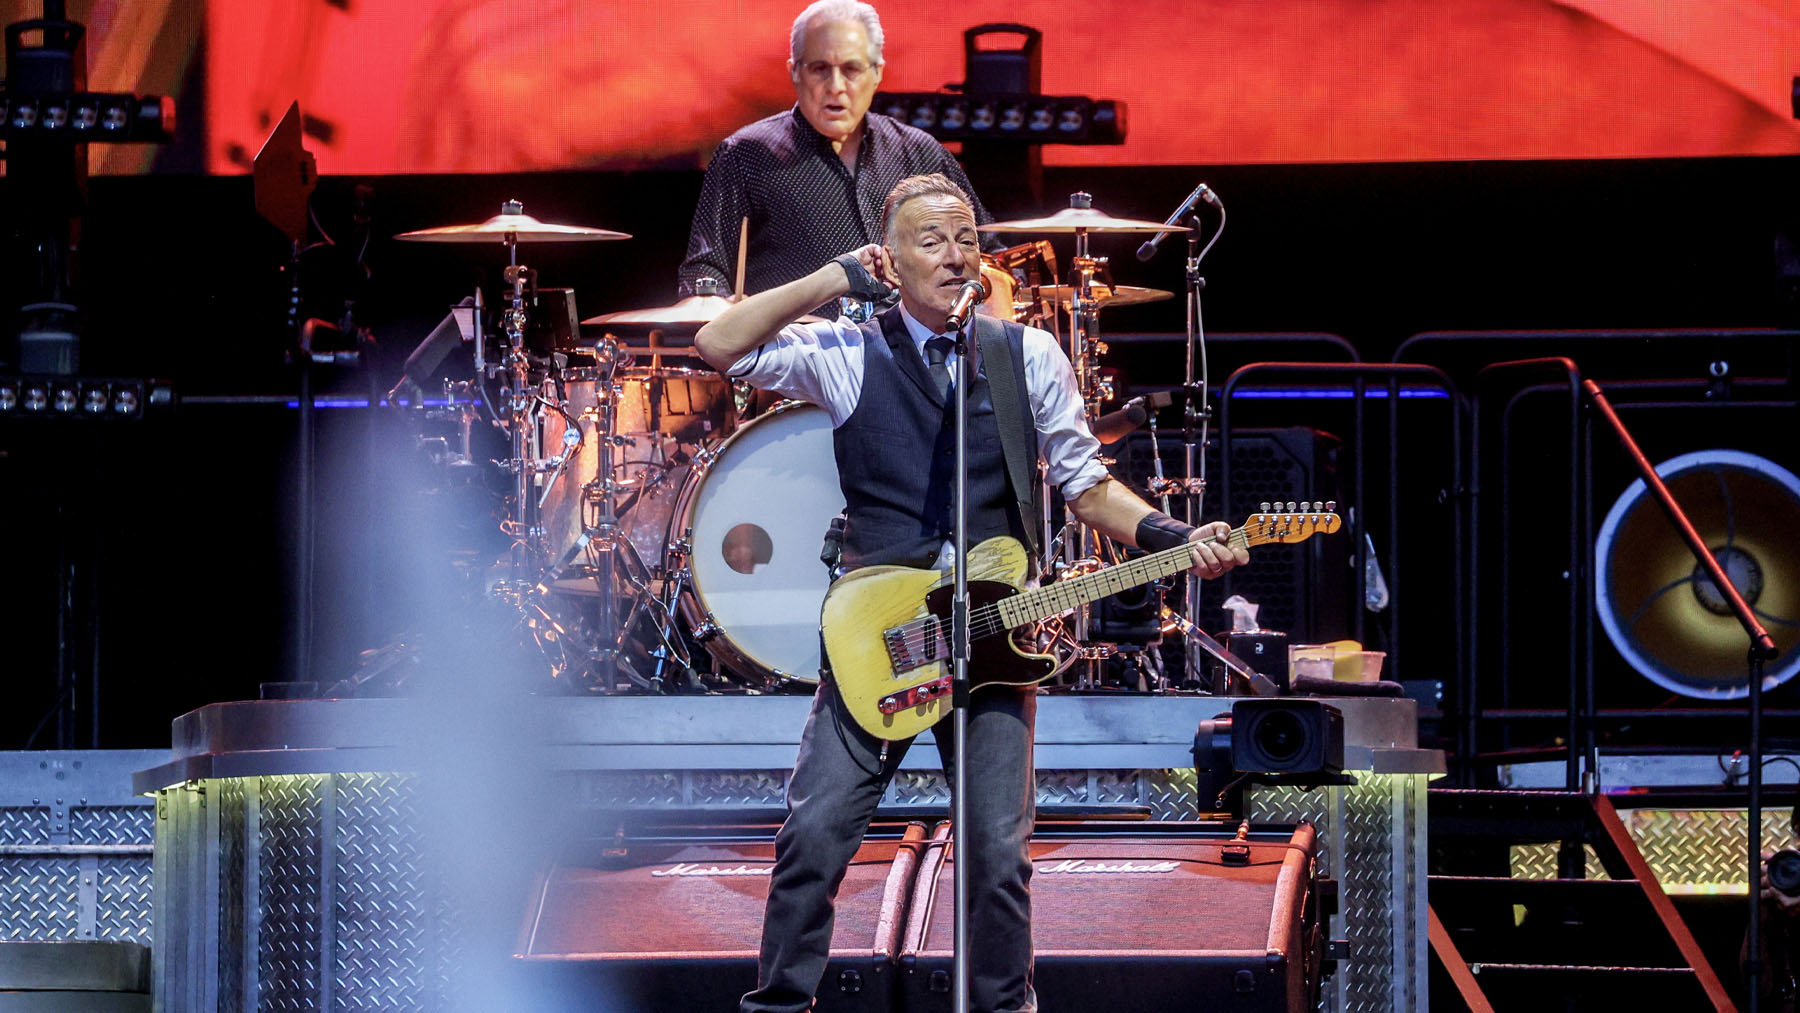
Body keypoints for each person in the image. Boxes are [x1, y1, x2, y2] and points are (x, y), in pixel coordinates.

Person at [695, 173, 1248, 1013]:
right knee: (813, 836)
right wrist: (831, 278)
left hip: (993, 633)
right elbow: (719, 342)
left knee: (997, 853)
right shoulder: (848, 352)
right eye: (931, 241)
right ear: (891, 257)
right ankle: (779, 1005)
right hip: (880, 631)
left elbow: (1087, 486)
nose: (956, 256)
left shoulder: (1026, 354)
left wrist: (1175, 538)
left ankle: (1001, 1006)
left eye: (966, 239)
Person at [678, 0, 1001, 305]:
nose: (835, 85)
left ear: (877, 73)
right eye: (820, 68)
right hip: (798, 357)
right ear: (794, 72)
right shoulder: (744, 156)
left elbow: (989, 257)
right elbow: (704, 274)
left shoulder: (922, 153)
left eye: (851, 69)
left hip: (915, 358)